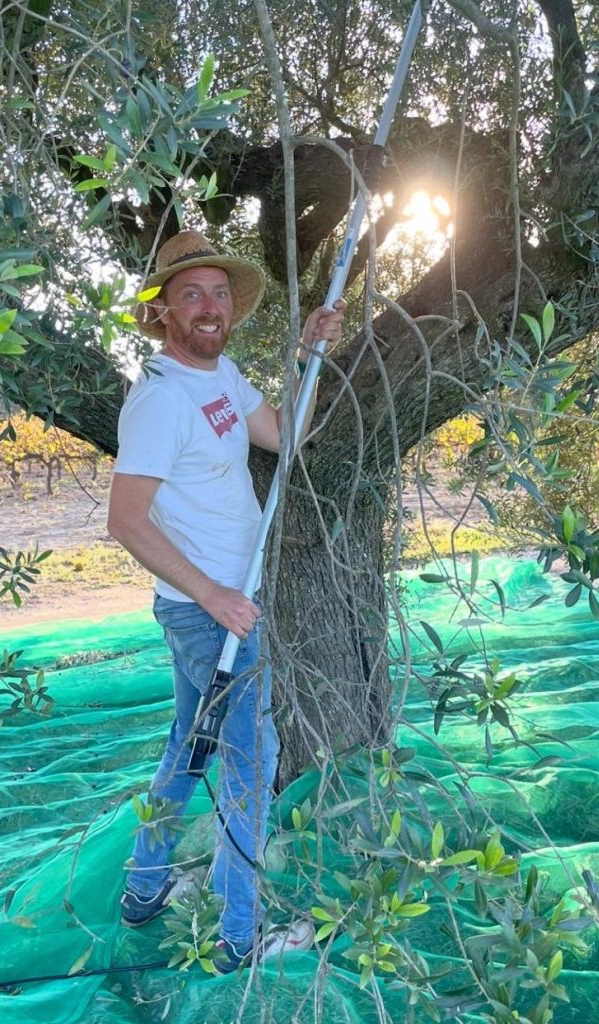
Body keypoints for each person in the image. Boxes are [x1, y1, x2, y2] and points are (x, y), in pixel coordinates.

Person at [108, 229, 345, 974]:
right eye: (190, 294)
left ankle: (144, 890)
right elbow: (124, 521)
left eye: (217, 293)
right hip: (209, 614)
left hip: (221, 609)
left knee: (189, 747)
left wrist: (307, 359)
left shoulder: (223, 375)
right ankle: (238, 938)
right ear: (163, 312)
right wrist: (212, 595)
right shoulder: (158, 400)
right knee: (251, 760)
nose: (208, 307)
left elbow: (287, 437)